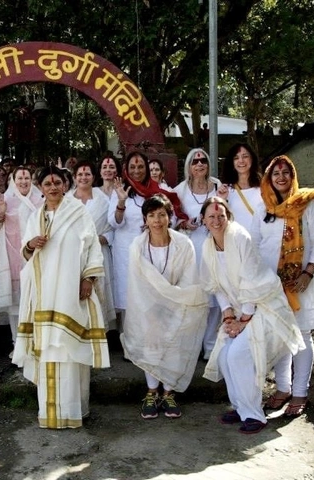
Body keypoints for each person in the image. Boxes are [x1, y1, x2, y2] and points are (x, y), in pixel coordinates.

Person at [12, 166, 110, 429]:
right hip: (44, 295)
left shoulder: (79, 213)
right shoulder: (35, 216)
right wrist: (31, 244)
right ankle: (51, 414)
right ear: (40, 188)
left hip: (71, 292)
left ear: (64, 185)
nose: (52, 187)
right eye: (47, 183)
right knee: (50, 351)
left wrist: (88, 279)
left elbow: (92, 249)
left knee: (71, 351)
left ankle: (76, 411)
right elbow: (26, 250)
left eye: (57, 182)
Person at [200, 196, 304, 434]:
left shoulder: (239, 237)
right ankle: (240, 407)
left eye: (221, 216)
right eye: (211, 217)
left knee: (238, 355)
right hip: (238, 312)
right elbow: (215, 285)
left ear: (229, 217)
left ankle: (255, 415)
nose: (217, 221)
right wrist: (228, 316)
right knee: (225, 356)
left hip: (264, 307)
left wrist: (242, 321)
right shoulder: (207, 246)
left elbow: (251, 283)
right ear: (203, 221)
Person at [250, 155, 314, 417]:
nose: (281, 177)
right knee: (280, 337)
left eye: (286, 172)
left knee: (302, 336)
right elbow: (254, 245)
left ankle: (300, 393)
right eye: (276, 174)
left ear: (293, 176)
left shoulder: (308, 203)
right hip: (272, 285)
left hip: (300, 282)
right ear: (269, 179)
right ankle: (282, 388)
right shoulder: (264, 209)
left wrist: (309, 271)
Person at [122, 194, 208, 419]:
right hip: (146, 305)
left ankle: (168, 393)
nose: (157, 220)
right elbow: (138, 284)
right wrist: (154, 311)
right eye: (152, 215)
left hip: (178, 303)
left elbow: (189, 279)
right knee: (151, 341)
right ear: (145, 219)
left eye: (162, 215)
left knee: (175, 344)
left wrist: (171, 304)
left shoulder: (183, 244)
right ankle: (151, 392)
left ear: (169, 217)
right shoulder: (137, 246)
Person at [108, 151, 187, 333]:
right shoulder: (120, 191)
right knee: (129, 293)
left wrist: (155, 226)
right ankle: (129, 339)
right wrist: (121, 202)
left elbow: (172, 218)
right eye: (132, 167)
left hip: (153, 249)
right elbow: (114, 222)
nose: (137, 171)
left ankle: (152, 338)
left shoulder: (158, 191)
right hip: (126, 251)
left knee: (152, 292)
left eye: (141, 166)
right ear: (126, 169)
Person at [174, 148, 222, 359]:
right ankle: (193, 346)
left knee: (216, 299)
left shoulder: (218, 186)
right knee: (195, 298)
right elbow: (174, 219)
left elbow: (228, 211)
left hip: (216, 247)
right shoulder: (180, 190)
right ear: (189, 167)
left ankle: (210, 346)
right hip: (192, 249)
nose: (200, 164)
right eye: (195, 161)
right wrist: (186, 223)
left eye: (203, 160)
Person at [0, 166, 44, 354]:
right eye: (19, 178)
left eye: (27, 178)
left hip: (34, 256)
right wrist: (0, 214)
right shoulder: (4, 200)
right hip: (12, 257)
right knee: (15, 305)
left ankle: (34, 343)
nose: (23, 181)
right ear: (13, 181)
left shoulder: (40, 200)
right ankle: (17, 344)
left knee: (34, 300)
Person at [67, 160, 116, 328]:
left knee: (96, 295)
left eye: (87, 174)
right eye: (79, 174)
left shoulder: (103, 200)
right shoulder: (66, 200)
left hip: (98, 253)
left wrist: (102, 239)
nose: (83, 177)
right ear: (74, 178)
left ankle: (98, 335)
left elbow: (112, 228)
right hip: (72, 256)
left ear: (94, 177)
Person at [217, 143, 264, 231]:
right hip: (235, 241)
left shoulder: (264, 187)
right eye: (236, 158)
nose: (241, 160)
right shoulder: (226, 190)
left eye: (245, 156)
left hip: (259, 241)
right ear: (232, 162)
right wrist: (222, 200)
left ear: (252, 159)